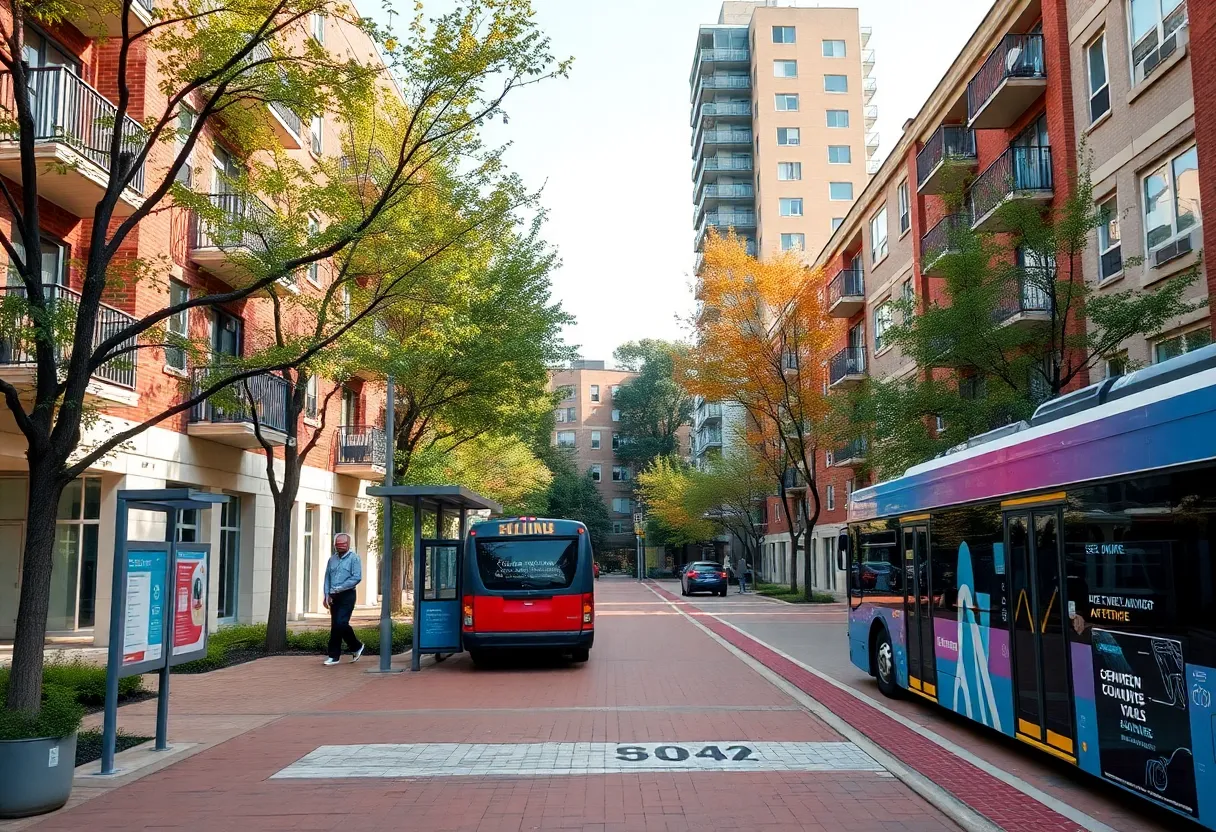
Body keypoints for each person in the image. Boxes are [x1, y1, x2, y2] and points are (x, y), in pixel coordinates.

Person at [323, 532, 364, 666]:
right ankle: (334, 656)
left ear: (348, 544)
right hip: (333, 595)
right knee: (335, 625)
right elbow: (327, 577)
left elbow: (356, 577)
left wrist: (340, 588)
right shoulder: (332, 559)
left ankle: (356, 646)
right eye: (338, 544)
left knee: (341, 623)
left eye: (343, 544)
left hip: (347, 594)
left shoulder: (354, 558)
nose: (340, 547)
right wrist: (326, 595)